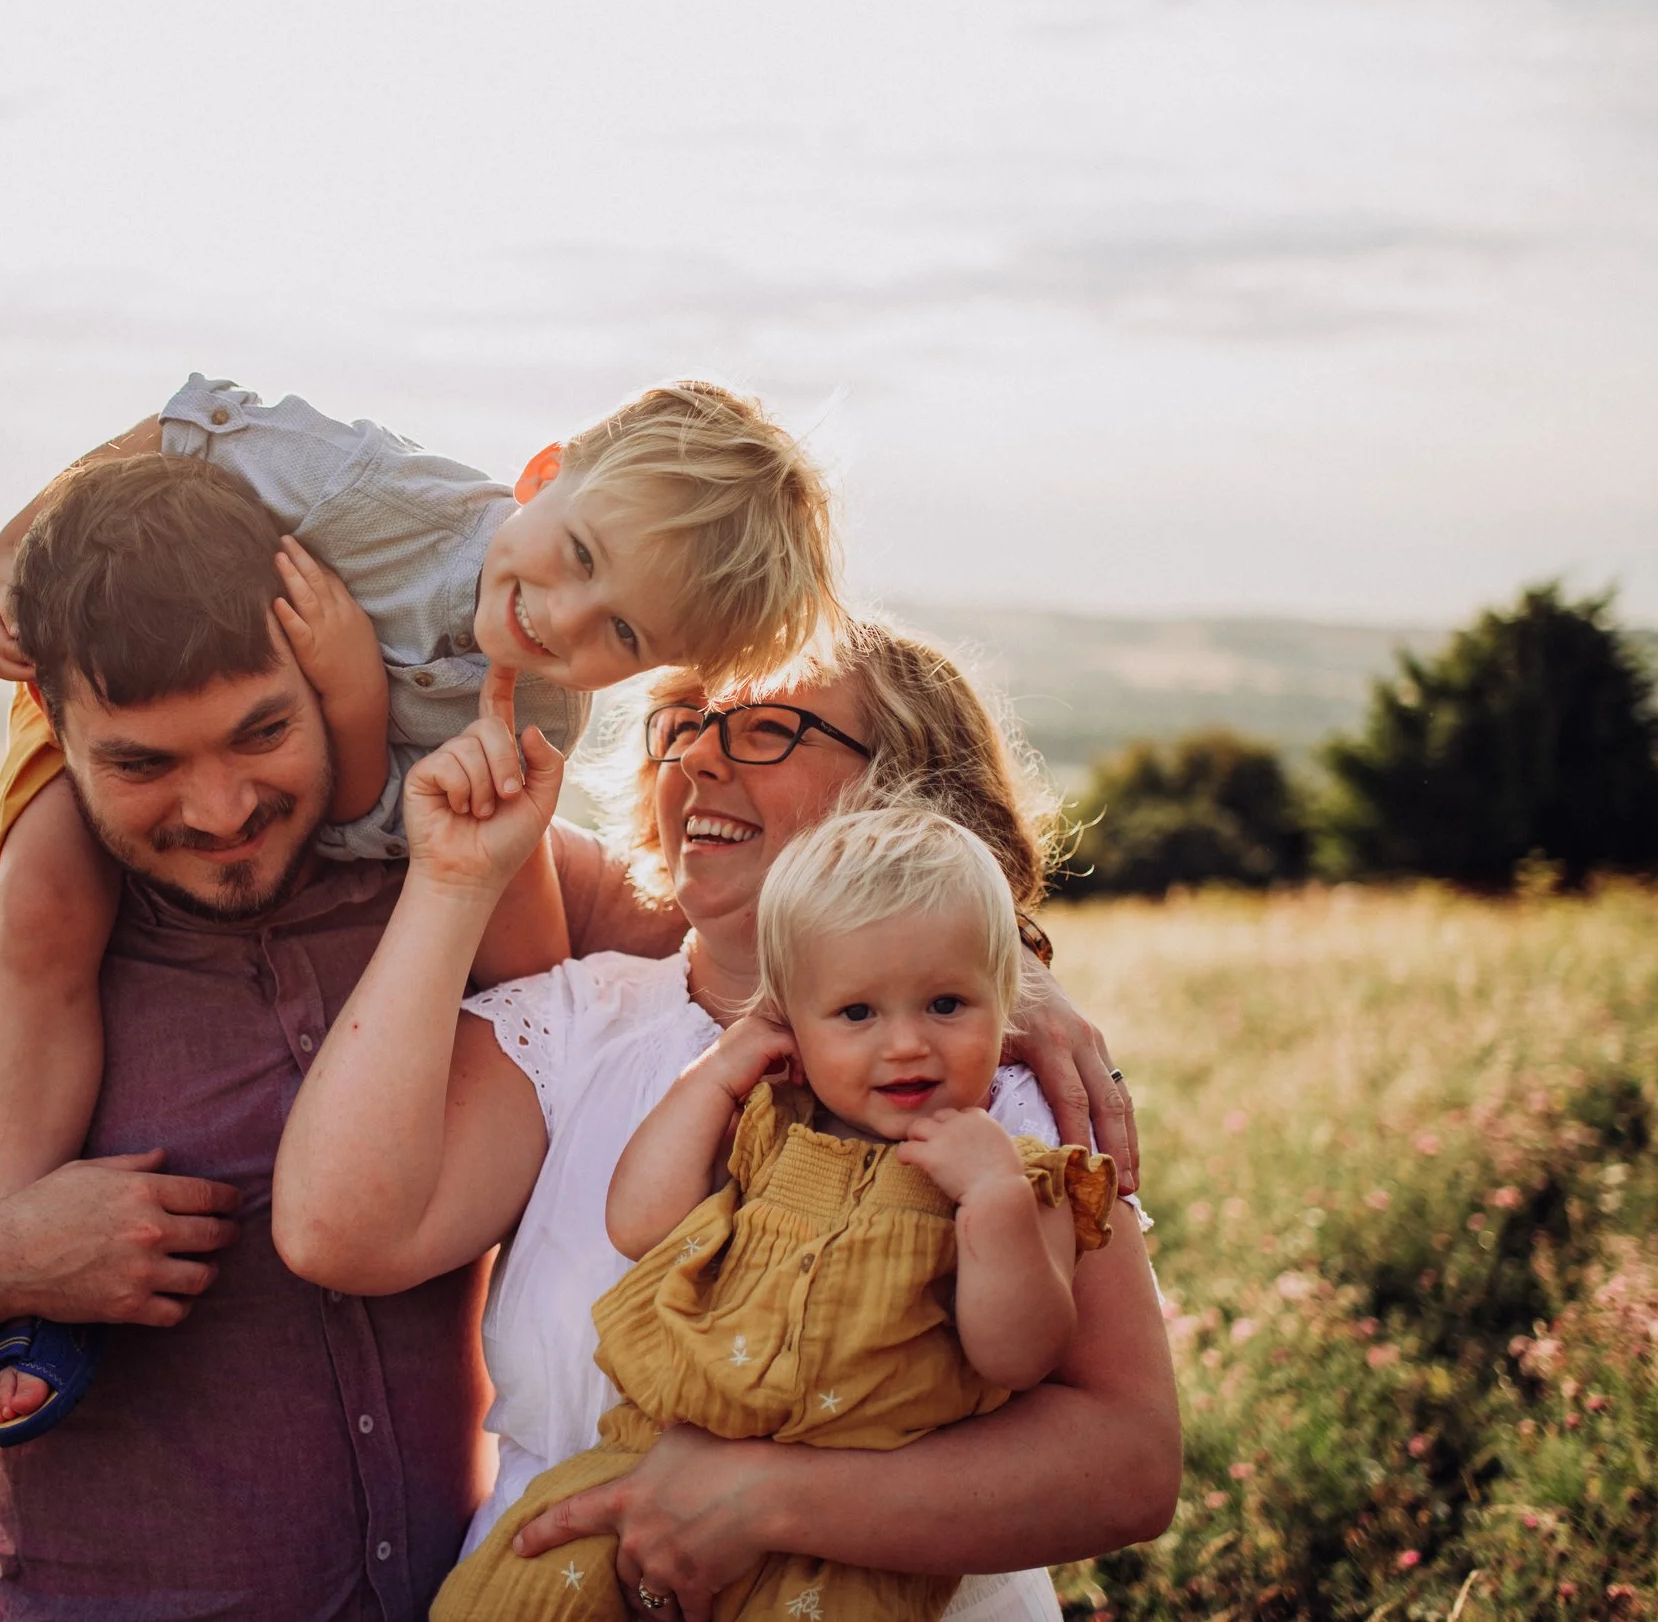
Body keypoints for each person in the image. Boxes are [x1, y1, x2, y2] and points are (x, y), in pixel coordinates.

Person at [0, 453, 689, 1619]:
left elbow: (790, 949)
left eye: (260, 735)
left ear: (323, 669)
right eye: (142, 763)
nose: (220, 809)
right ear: (50, 723)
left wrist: (984, 984)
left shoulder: (480, 874)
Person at [0, 375, 841, 1439]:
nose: (558, 617)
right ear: (544, 475)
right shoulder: (379, 497)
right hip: (123, 671)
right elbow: (196, 417)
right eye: (576, 555)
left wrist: (354, 702)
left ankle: (524, 1222)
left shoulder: (542, 704)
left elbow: (351, 826)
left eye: (619, 633)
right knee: (50, 902)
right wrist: (26, 535)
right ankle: (25, 1259)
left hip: (288, 775)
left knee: (523, 957)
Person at [273, 616, 1177, 1622]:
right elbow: (338, 1231)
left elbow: (1128, 1463)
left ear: (906, 794)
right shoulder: (574, 1022)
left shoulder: (986, 1077)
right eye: (683, 724)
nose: (699, 756)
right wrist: (451, 880)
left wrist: (768, 1499)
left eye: (768, 729)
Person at [433, 805, 1121, 1620]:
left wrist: (995, 1202)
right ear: (791, 1020)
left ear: (1008, 1002)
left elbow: (1018, 1356)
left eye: (945, 1005)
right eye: (858, 1013)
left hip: (846, 1540)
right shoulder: (769, 1122)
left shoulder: (1019, 1167)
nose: (905, 1044)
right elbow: (640, 1222)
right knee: (511, 1597)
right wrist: (716, 1076)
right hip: (652, 1467)